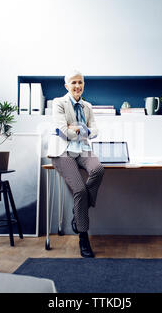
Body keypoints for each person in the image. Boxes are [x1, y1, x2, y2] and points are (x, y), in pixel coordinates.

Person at [47, 69, 105, 258]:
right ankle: (83, 236)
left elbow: (95, 131)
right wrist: (83, 129)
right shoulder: (59, 103)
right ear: (67, 86)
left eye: (80, 82)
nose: (77, 86)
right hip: (63, 152)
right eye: (73, 82)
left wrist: (77, 129)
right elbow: (62, 131)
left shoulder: (87, 106)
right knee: (79, 190)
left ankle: (78, 210)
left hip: (83, 150)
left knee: (98, 169)